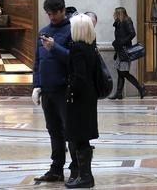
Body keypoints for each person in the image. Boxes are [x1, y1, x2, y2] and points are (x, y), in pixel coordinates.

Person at [32, 0, 73, 183]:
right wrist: (37, 85)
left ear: (63, 10)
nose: (52, 17)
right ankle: (56, 169)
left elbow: (75, 59)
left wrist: (55, 47)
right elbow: (38, 61)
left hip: (65, 89)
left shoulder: (72, 31)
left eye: (55, 13)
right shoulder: (43, 31)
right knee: (54, 130)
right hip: (47, 91)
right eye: (49, 13)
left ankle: (77, 168)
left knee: (70, 130)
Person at [64, 13, 100, 188]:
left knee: (79, 137)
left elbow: (78, 76)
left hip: (79, 98)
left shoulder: (77, 48)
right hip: (89, 96)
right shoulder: (90, 47)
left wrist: (70, 92)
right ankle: (86, 175)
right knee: (83, 137)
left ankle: (85, 177)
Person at [109, 7, 145, 99]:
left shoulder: (127, 21)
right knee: (120, 72)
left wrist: (122, 42)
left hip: (125, 50)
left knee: (124, 73)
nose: (114, 14)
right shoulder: (118, 23)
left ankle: (140, 89)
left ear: (119, 13)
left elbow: (132, 33)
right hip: (120, 51)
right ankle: (119, 93)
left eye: (115, 13)